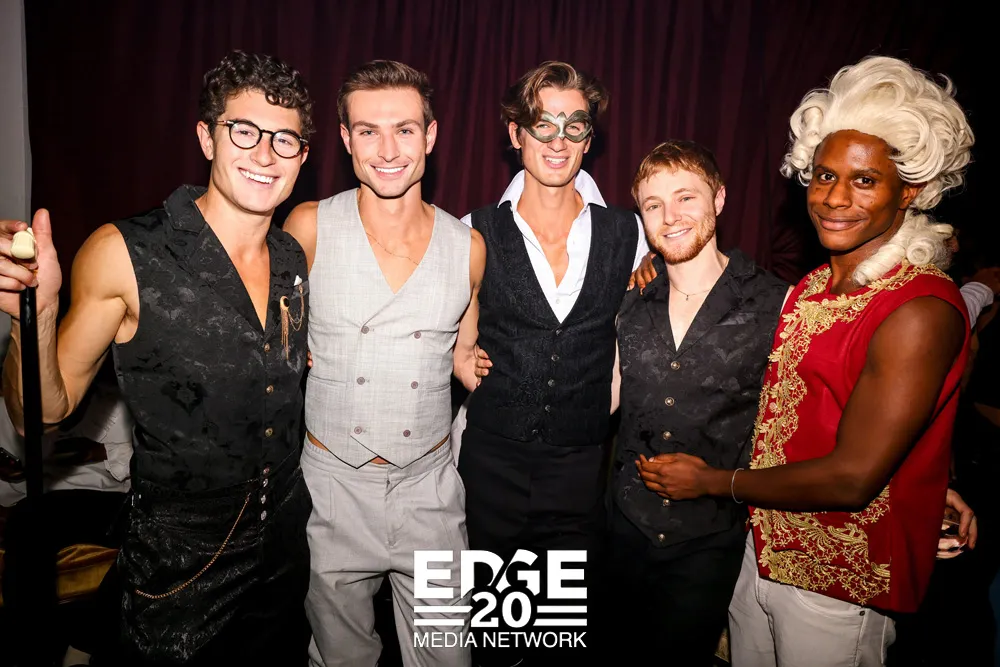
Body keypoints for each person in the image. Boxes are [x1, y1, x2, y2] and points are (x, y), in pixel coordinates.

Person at [646, 56, 976, 666]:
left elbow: (853, 477)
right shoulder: (812, 287)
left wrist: (714, 482)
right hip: (765, 550)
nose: (835, 198)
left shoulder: (919, 308)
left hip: (842, 578)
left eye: (864, 180)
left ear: (910, 190)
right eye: (824, 175)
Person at [0, 50, 314, 666]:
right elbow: (41, 414)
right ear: (206, 137)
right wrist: (36, 316)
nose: (265, 154)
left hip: (283, 555)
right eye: (244, 131)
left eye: (284, 139)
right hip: (177, 570)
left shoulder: (291, 258)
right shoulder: (126, 252)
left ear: (303, 156)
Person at [283, 60, 483, 667]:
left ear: (431, 135)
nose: (388, 150)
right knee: (340, 657)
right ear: (346, 139)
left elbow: (466, 358)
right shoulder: (309, 225)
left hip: (430, 492)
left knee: (448, 655)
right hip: (331, 488)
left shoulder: (468, 247)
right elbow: (271, 341)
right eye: (369, 131)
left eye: (405, 129)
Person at [455, 61, 648, 666]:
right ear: (516, 133)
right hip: (491, 460)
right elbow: (439, 327)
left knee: (561, 635)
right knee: (490, 636)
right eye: (543, 124)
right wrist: (459, 357)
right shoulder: (472, 231)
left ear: (590, 137)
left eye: (575, 124)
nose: (558, 140)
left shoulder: (632, 233)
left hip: (581, 465)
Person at [606, 140, 790, 665]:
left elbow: (815, 414)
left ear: (719, 199)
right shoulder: (630, 300)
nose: (671, 216)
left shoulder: (777, 303)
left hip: (711, 542)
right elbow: (602, 400)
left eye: (686, 197)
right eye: (654, 204)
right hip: (622, 531)